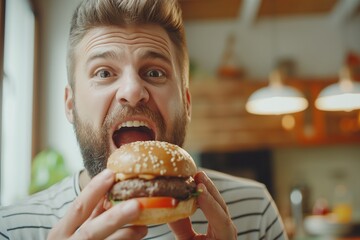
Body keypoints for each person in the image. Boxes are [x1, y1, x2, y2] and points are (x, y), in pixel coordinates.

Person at [0, 0, 288, 239]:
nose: (132, 91)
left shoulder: (255, 210)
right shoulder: (12, 229)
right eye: (104, 73)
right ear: (70, 104)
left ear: (186, 103)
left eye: (154, 72)